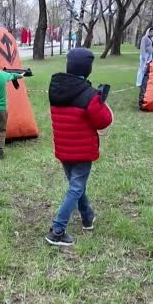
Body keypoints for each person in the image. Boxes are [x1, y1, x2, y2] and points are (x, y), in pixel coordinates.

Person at [45, 48, 114, 247]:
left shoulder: (56, 86)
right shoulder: (89, 94)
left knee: (77, 186)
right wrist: (100, 101)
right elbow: (104, 121)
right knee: (76, 187)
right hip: (82, 152)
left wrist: (97, 99)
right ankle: (57, 230)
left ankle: (87, 217)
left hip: (64, 149)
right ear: (88, 68)